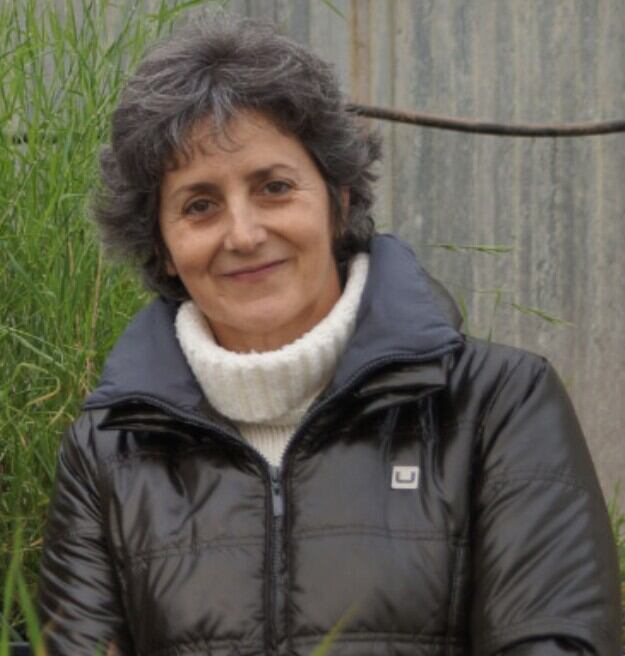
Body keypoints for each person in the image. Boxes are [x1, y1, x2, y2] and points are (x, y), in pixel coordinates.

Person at [38, 15, 621, 656]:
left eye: (275, 187)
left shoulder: (499, 405)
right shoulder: (107, 449)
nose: (244, 234)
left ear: (338, 202)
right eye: (199, 205)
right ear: (163, 247)